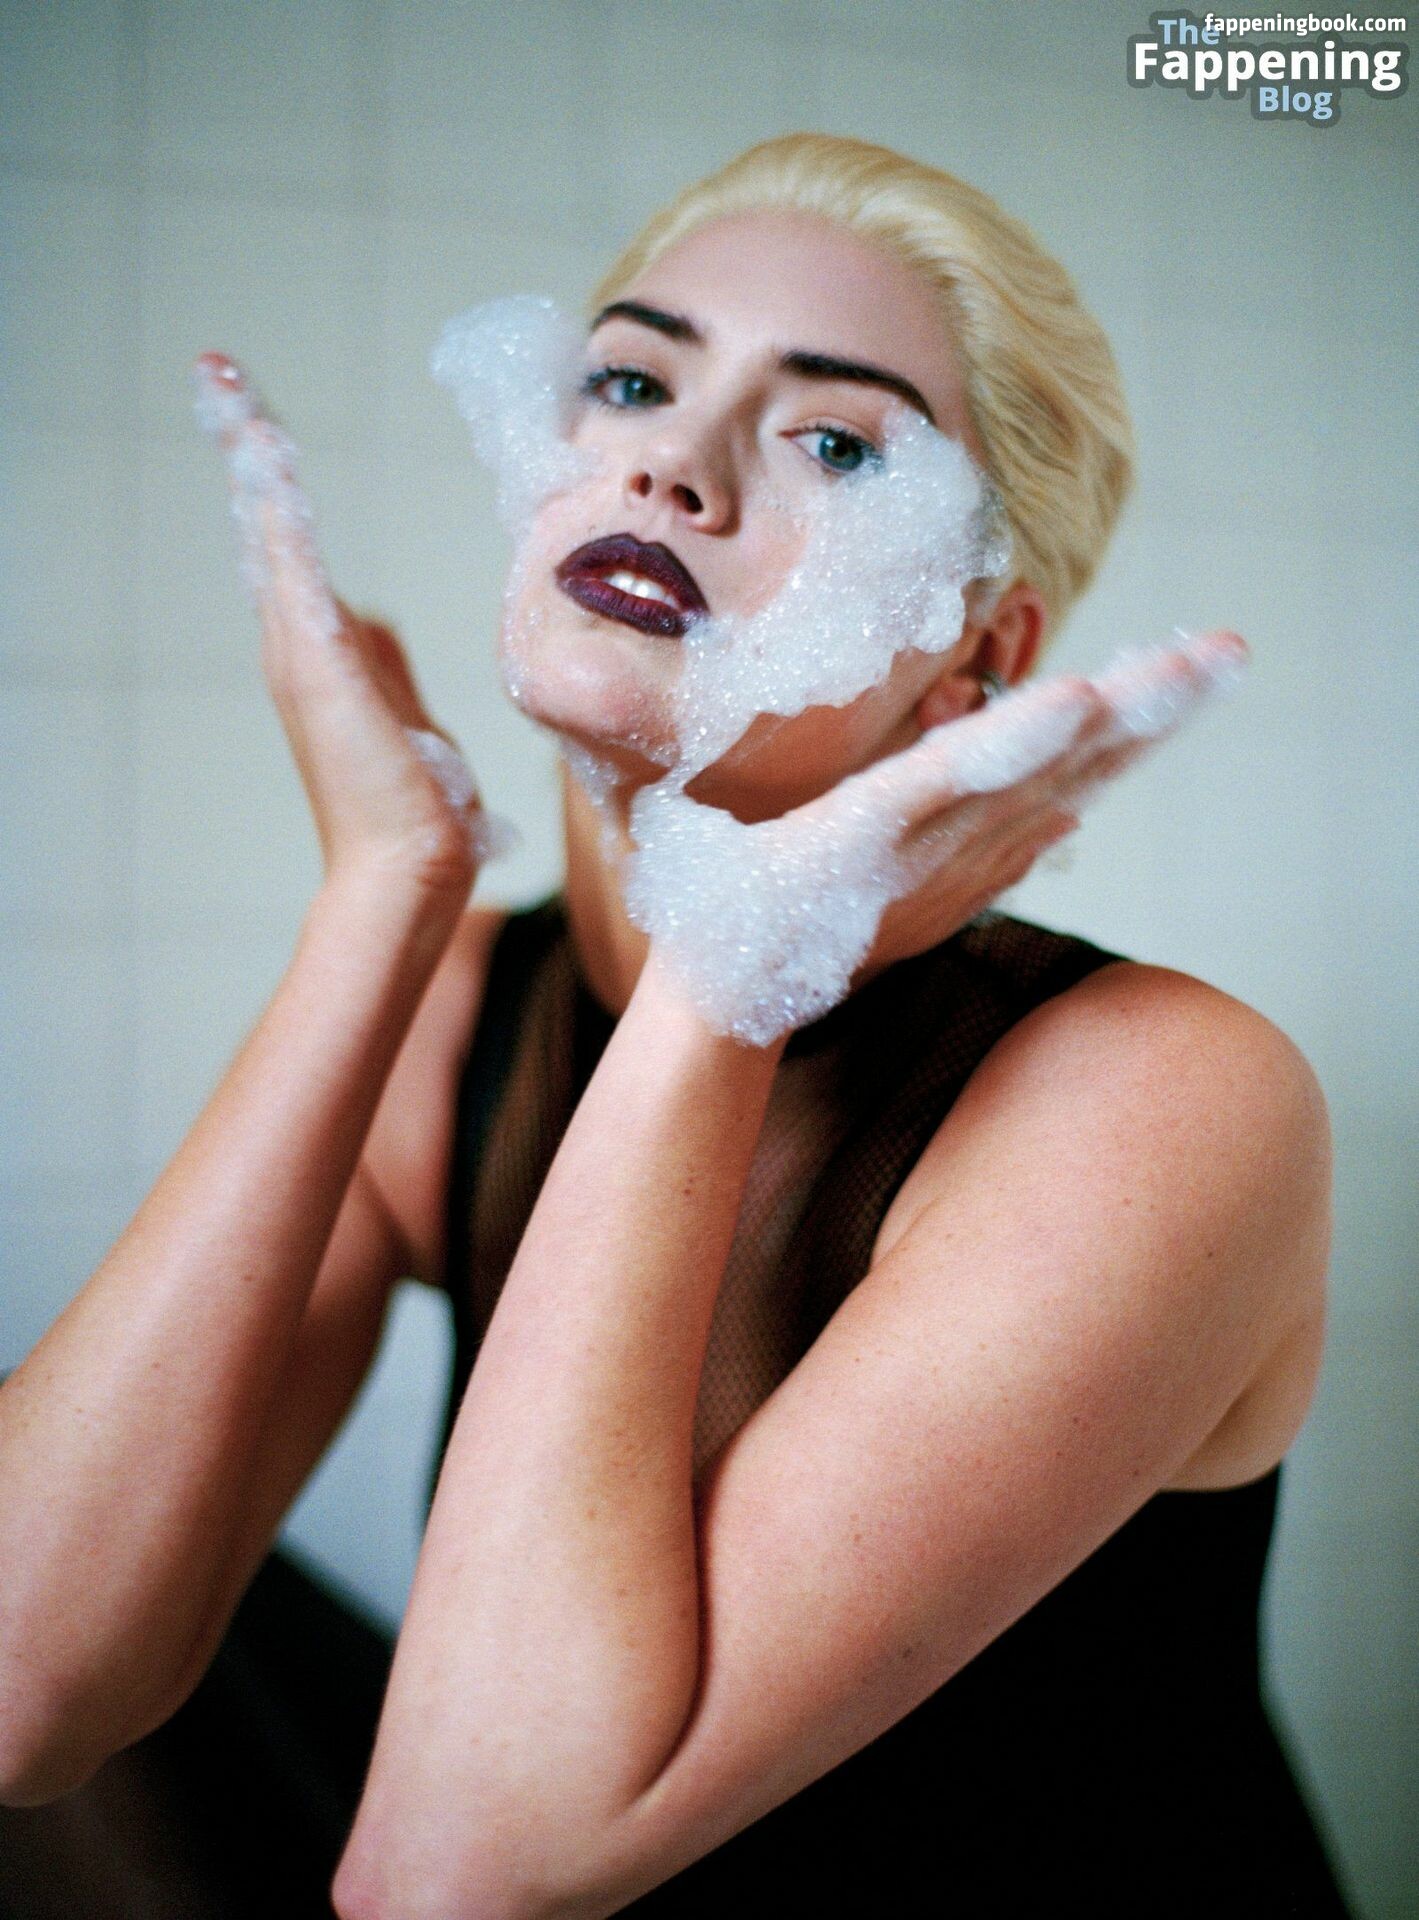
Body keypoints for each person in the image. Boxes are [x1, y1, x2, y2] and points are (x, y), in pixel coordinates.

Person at [0, 134, 1350, 1918]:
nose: (669, 464)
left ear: (979, 653)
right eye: (634, 381)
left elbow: (454, 1880)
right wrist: (386, 884)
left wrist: (731, 974)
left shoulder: (1159, 1098)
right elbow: (22, 1699)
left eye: (835, 442)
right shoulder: (467, 1004)